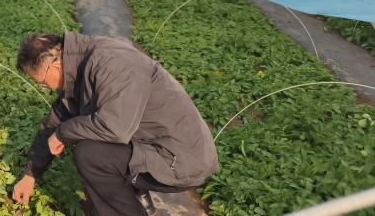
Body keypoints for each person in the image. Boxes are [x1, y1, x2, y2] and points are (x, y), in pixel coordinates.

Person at [11, 32, 219, 215]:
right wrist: (30, 175)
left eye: (42, 83)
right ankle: (137, 198)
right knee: (89, 138)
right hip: (156, 145)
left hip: (182, 159)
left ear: (55, 66)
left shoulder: (112, 62)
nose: (46, 88)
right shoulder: (78, 65)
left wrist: (63, 133)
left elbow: (114, 128)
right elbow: (55, 121)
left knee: (90, 155)